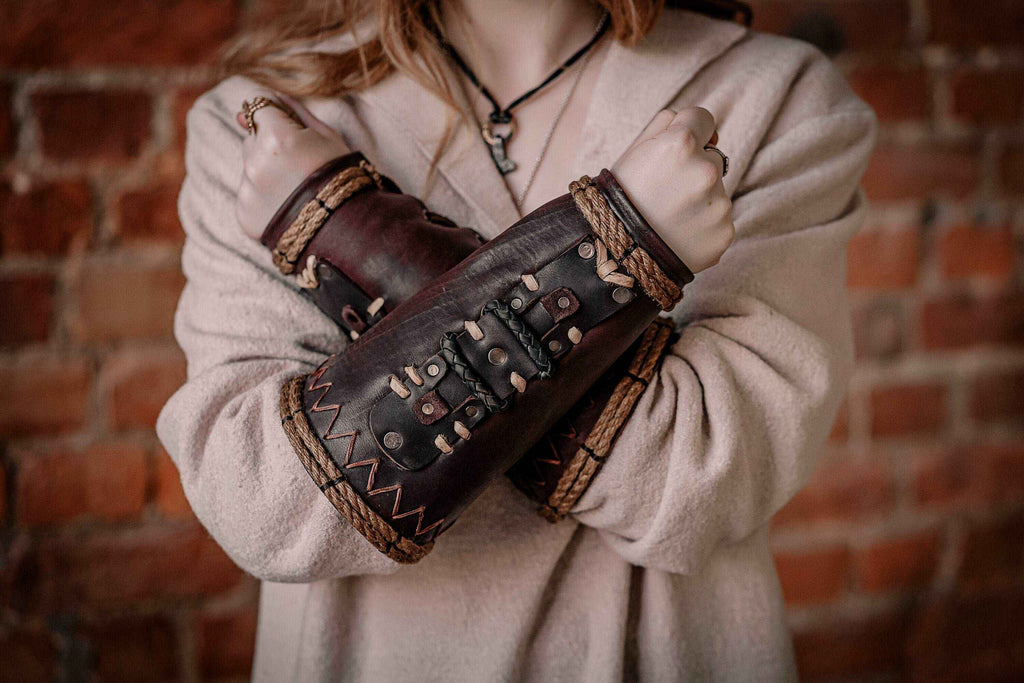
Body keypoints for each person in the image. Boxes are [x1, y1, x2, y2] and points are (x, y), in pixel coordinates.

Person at [156, 0, 877, 679]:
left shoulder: (770, 97)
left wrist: (339, 229)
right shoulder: (265, 121)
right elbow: (261, 500)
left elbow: (701, 471)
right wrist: (619, 247)